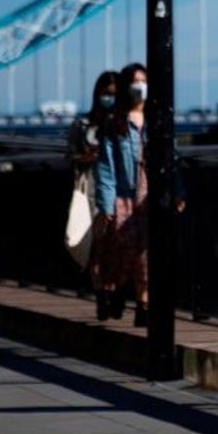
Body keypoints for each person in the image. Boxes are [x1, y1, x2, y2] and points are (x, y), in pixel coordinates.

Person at [94, 62, 151, 327]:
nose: (140, 86)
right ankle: (114, 290)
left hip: (148, 198)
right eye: (135, 81)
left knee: (145, 255)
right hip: (123, 197)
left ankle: (143, 305)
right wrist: (106, 205)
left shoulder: (156, 120)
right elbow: (105, 167)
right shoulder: (114, 124)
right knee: (124, 251)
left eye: (144, 80)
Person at [67, 71, 118, 320]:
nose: (110, 98)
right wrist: (85, 158)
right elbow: (69, 155)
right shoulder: (83, 124)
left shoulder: (124, 123)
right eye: (106, 93)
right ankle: (102, 296)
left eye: (114, 94)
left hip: (120, 191)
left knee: (116, 246)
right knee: (97, 248)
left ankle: (112, 292)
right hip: (91, 191)